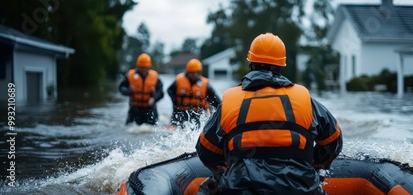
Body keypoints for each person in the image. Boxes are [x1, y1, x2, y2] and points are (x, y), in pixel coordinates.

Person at [196, 33, 343, 194]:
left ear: (251, 63)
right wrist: (313, 165)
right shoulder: (304, 99)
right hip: (301, 188)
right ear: (281, 65)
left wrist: (231, 168)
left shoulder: (230, 100)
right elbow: (333, 141)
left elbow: (205, 151)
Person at [167, 58, 221, 128]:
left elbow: (217, 102)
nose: (194, 74)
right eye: (192, 72)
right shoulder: (179, 81)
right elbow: (169, 91)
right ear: (187, 72)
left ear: (199, 72)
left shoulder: (206, 86)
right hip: (180, 112)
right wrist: (175, 103)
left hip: (197, 115)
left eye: (196, 72)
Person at [119, 53, 164, 125]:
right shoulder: (130, 75)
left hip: (150, 110)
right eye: (141, 67)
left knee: (152, 130)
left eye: (145, 67)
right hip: (134, 109)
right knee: (129, 128)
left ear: (149, 67)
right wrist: (128, 90)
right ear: (138, 66)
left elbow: (161, 92)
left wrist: (154, 98)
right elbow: (121, 88)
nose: (143, 69)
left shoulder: (155, 77)